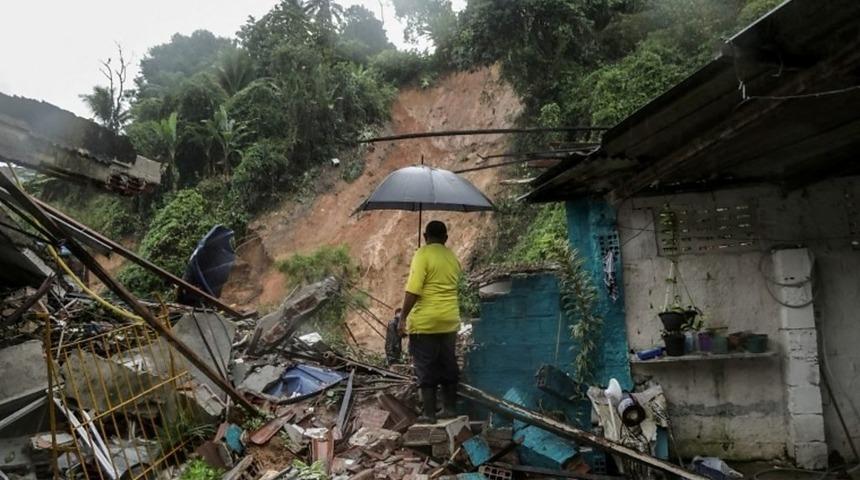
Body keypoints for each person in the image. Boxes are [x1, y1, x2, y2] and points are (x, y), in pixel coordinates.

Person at [399, 220, 461, 424]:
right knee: (447, 363)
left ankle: (429, 414)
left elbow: (413, 290)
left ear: (425, 237)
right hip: (449, 320)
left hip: (426, 322)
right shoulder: (452, 257)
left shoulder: (422, 254)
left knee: (425, 366)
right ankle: (449, 408)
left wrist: (402, 317)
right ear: (445, 238)